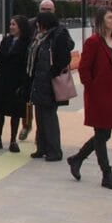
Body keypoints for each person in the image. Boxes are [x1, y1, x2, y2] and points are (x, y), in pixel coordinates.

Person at [67, 8, 112, 191]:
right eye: (110, 17)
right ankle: (106, 174)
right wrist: (92, 89)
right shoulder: (93, 42)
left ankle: (77, 159)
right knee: (102, 134)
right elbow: (84, 69)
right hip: (98, 95)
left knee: (105, 134)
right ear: (101, 21)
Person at [25, 10, 73, 162]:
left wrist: (51, 73)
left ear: (44, 23)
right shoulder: (40, 37)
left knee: (49, 118)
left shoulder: (57, 36)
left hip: (49, 84)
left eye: (38, 22)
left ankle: (54, 151)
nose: (36, 25)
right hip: (39, 82)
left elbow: (64, 58)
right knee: (40, 116)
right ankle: (41, 148)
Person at [0, 15, 30, 152]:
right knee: (0, 110)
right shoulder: (6, 40)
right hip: (2, 80)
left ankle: (13, 140)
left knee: (15, 112)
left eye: (13, 24)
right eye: (10, 24)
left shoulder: (27, 43)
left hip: (16, 81)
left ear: (20, 27)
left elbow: (24, 62)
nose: (11, 27)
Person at [19, 0, 56, 142]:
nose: (46, 12)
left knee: (44, 105)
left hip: (46, 73)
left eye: (49, 9)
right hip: (30, 70)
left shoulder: (57, 26)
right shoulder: (30, 24)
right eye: (43, 9)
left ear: (54, 11)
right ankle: (26, 126)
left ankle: (40, 135)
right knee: (27, 100)